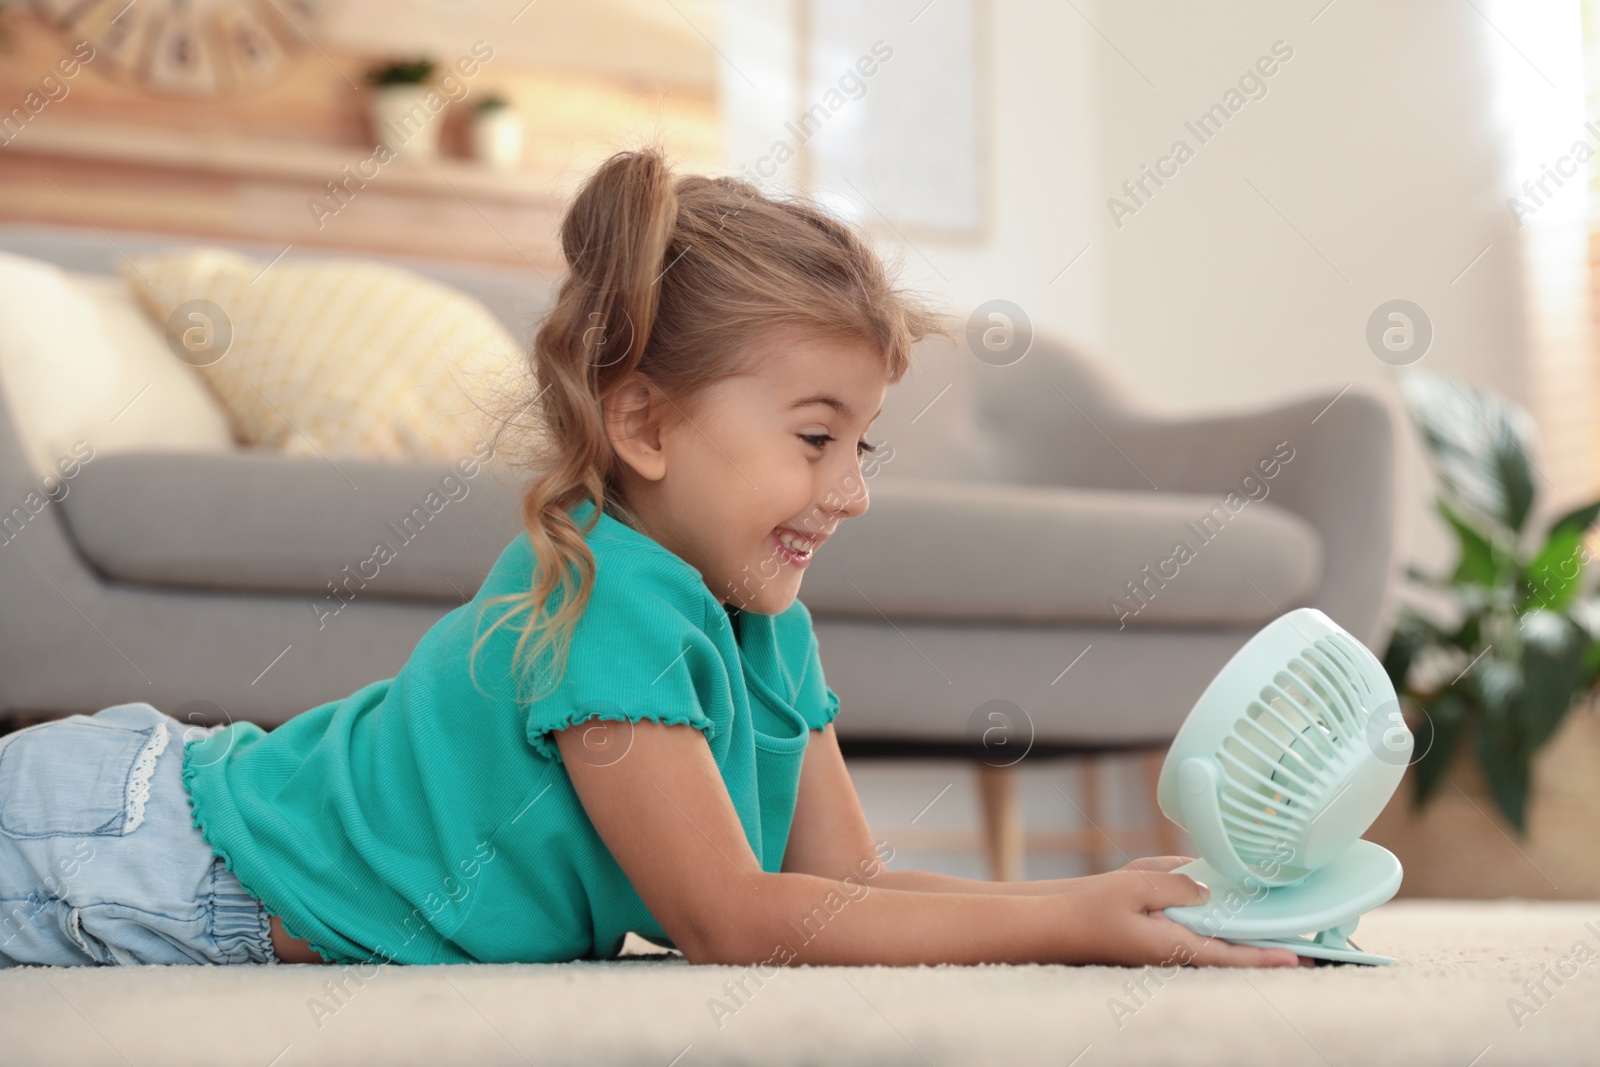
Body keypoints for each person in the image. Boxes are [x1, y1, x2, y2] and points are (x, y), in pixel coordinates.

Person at [0, 145, 1307, 970]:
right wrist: (1070, 920)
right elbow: (733, 922)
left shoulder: (762, 617)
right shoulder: (603, 602)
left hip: (150, 825)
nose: (849, 493)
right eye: (813, 438)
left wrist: (1091, 906)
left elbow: (837, 889)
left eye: (867, 446)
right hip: (141, 851)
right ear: (641, 423)